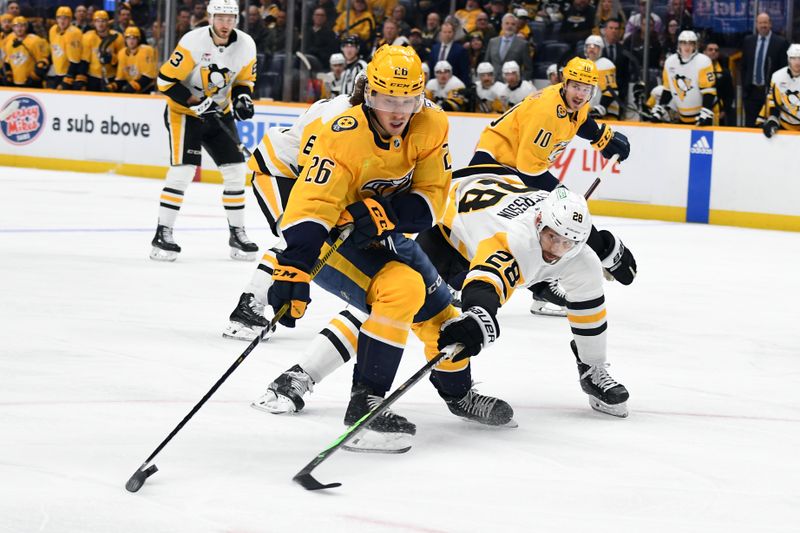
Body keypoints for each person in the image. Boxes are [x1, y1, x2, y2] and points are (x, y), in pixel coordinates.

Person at [260, 45, 513, 452]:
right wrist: (292, 267)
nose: (398, 111)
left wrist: (384, 214)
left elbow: (432, 197)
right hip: (321, 227)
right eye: (387, 100)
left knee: (440, 309)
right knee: (399, 290)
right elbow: (312, 205)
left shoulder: (430, 124)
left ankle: (457, 393)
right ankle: (362, 406)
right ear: (368, 94)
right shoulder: (341, 132)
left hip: (379, 230)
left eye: (409, 100)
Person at [257, 172, 631, 419]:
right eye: (552, 237)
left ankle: (591, 370)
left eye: (568, 242)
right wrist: (480, 318)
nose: (557, 248)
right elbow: (486, 282)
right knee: (393, 302)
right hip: (448, 237)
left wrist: (609, 249)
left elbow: (578, 229)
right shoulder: (517, 240)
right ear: (538, 223)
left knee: (587, 277)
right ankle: (301, 375)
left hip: (485, 186)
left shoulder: (568, 235)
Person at [470, 56, 636, 319]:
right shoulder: (545, 112)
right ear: (564, 82)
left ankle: (541, 287)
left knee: (543, 225)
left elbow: (582, 122)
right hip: (494, 163)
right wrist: (600, 245)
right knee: (516, 227)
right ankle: (529, 285)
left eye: (586, 89)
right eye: (576, 87)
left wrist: (604, 139)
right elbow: (529, 172)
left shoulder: (572, 104)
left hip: (517, 164)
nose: (581, 94)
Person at [151, 0, 259, 262]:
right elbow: (165, 81)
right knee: (183, 172)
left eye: (230, 18)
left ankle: (237, 233)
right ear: (211, 18)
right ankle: (163, 233)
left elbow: (244, 80)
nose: (226, 24)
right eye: (221, 18)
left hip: (218, 113)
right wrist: (196, 103)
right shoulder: (193, 42)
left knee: (235, 172)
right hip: (184, 114)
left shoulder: (246, 44)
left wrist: (244, 98)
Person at [652, 30, 716, 126]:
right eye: (684, 43)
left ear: (695, 45)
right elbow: (668, 89)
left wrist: (706, 111)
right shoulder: (670, 62)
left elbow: (709, 90)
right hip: (680, 117)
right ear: (679, 45)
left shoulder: (703, 61)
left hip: (700, 117)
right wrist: (660, 108)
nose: (687, 46)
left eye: (691, 43)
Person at [741, 12, 789, 127]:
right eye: (760, 23)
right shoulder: (748, 41)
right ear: (756, 25)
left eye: (766, 22)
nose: (763, 25)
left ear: (770, 24)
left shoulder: (781, 43)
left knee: (769, 127)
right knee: (750, 127)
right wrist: (745, 88)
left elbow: (784, 69)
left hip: (770, 93)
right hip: (751, 93)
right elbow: (744, 66)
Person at [759, 43, 800, 138]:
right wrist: (773, 120)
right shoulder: (777, 77)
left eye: (799, 58)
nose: (797, 62)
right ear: (789, 59)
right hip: (785, 126)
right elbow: (774, 104)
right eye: (794, 58)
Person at [76, 10, 123, 91]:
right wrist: (81, 81)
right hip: (93, 77)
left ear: (108, 22)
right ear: (94, 23)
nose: (100, 24)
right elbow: (85, 61)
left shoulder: (117, 37)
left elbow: (122, 62)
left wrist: (112, 58)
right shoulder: (87, 37)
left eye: (103, 21)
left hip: (111, 77)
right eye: (98, 21)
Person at [2, 16, 49, 87]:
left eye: (22, 26)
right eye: (16, 26)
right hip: (15, 83)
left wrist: (36, 74)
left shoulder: (35, 41)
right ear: (13, 28)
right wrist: (9, 75)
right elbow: (7, 61)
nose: (19, 29)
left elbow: (43, 60)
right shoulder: (9, 43)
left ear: (26, 27)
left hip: (31, 83)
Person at [485, 14, 533, 80]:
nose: (509, 26)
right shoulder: (492, 42)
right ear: (502, 25)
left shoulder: (523, 44)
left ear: (516, 27)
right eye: (507, 23)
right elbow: (486, 63)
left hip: (513, 84)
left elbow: (528, 68)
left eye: (513, 24)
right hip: (493, 83)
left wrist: (521, 83)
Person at [110, 26, 156, 93]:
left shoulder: (146, 50)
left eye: (134, 38)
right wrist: (113, 86)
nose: (131, 41)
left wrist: (135, 85)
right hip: (132, 88)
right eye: (129, 38)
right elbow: (121, 78)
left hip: (147, 90)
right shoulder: (121, 53)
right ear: (125, 39)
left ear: (138, 39)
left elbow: (149, 77)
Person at [583, 35, 619, 119]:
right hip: (588, 114)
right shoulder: (582, 64)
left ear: (601, 49)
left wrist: (600, 108)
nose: (591, 49)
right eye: (589, 46)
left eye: (595, 47)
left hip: (605, 114)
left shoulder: (605, 64)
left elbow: (611, 91)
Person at [47, 6, 83, 90]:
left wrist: (68, 78)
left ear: (70, 19)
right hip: (56, 72)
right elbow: (54, 50)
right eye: (59, 18)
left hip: (69, 74)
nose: (62, 21)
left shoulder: (74, 33)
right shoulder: (53, 30)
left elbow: (75, 60)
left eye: (65, 18)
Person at [428, 20, 470, 86]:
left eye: (449, 32)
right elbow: (431, 68)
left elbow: (464, 72)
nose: (447, 34)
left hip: (454, 85)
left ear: (454, 34)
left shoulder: (460, 50)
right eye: (444, 32)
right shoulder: (434, 48)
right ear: (440, 33)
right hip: (436, 85)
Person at [703, 40, 734, 126]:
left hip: (718, 112)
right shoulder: (696, 70)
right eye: (710, 49)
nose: (713, 52)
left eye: (716, 50)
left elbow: (730, 94)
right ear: (704, 52)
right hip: (700, 111)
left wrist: (724, 110)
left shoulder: (725, 73)